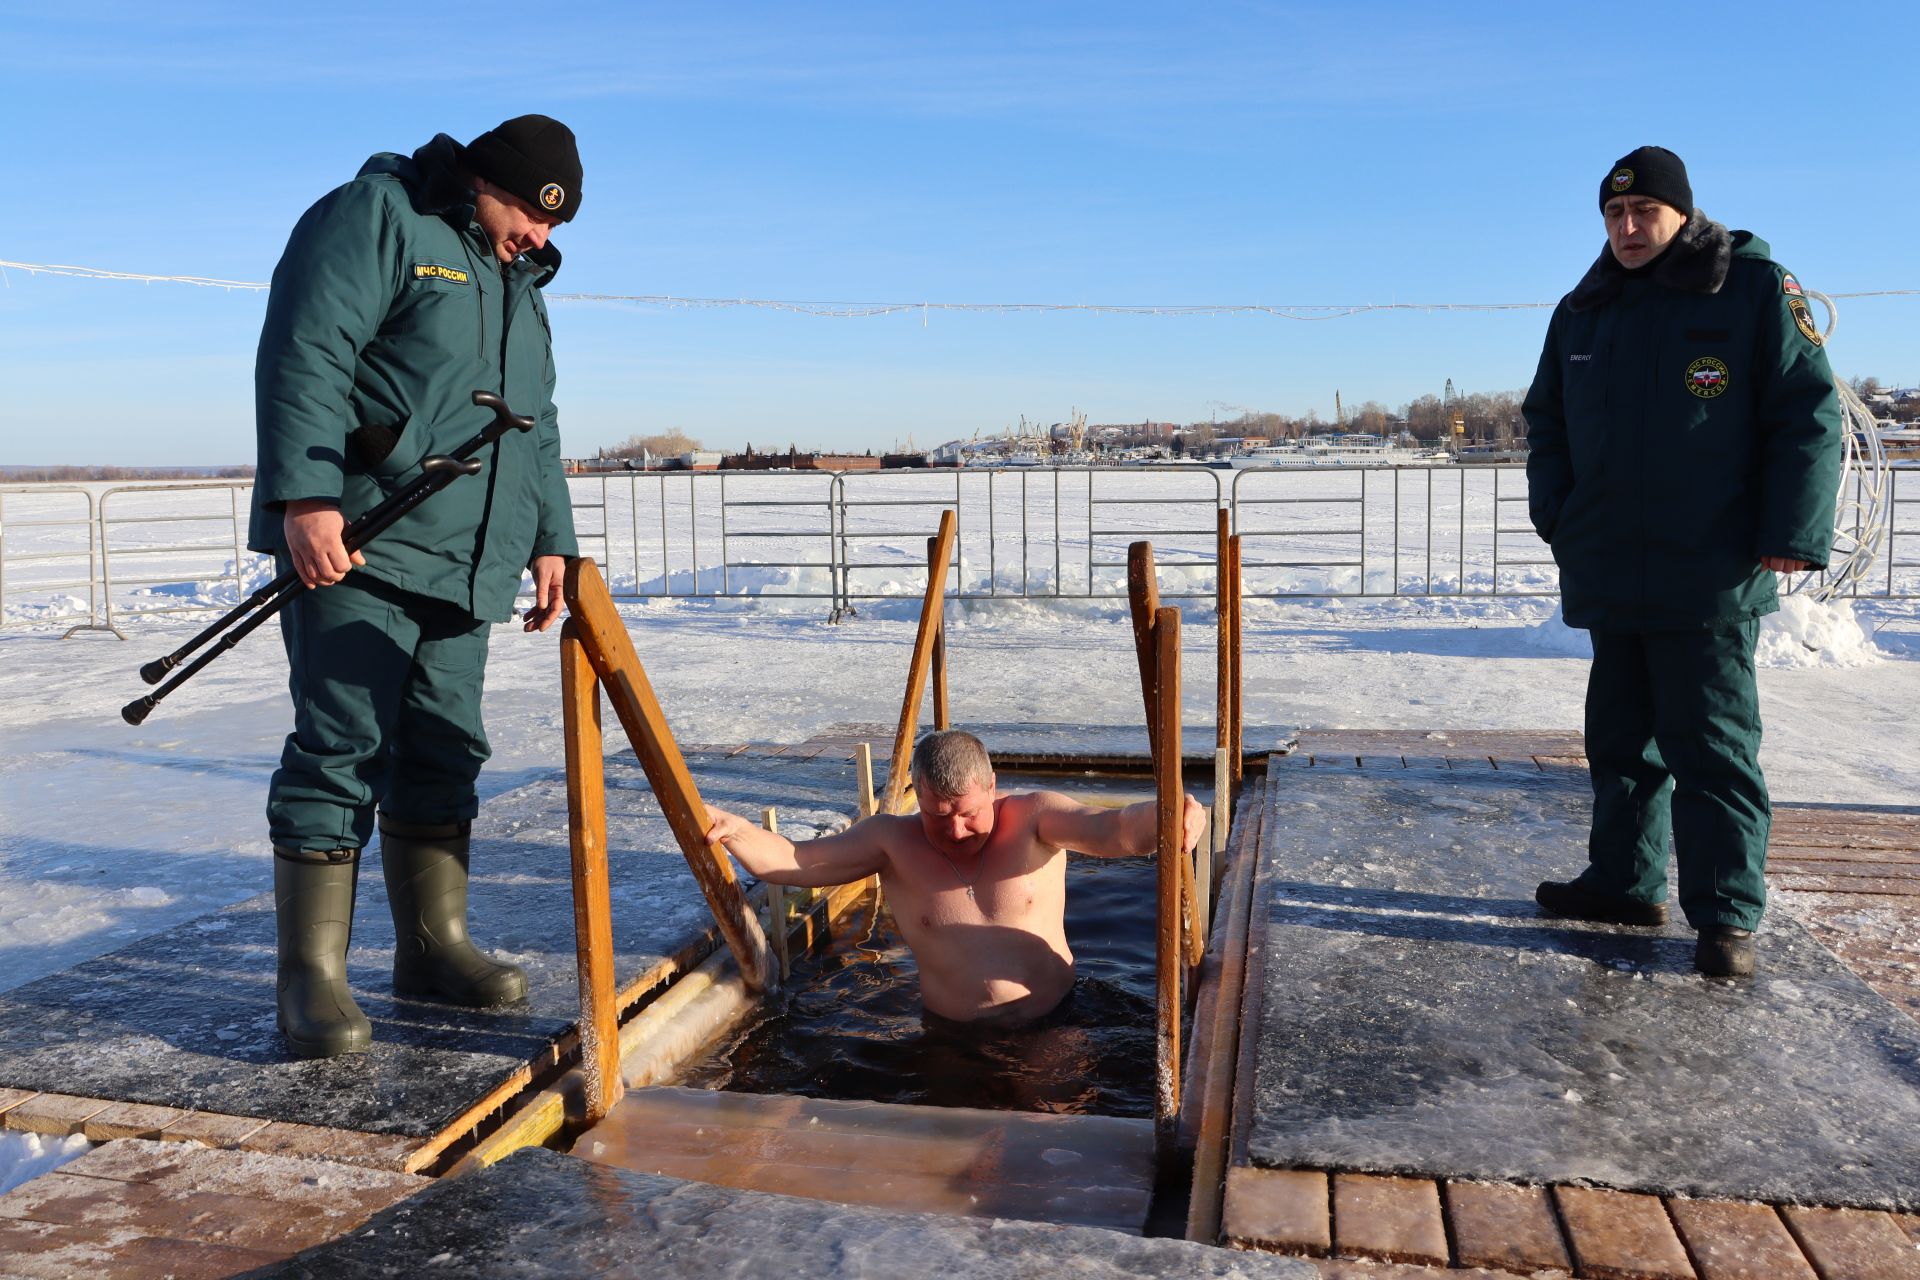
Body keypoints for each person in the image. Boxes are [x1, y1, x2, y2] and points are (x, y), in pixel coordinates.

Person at [248, 115, 584, 1057]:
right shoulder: (378, 216)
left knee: (445, 746)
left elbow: (537, 423)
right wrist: (307, 496)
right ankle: (310, 980)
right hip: (359, 540)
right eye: (527, 209)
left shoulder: (518, 280)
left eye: (555, 224)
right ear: (481, 180)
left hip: (467, 555)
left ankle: (433, 950)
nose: (540, 235)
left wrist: (550, 537)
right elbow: (306, 350)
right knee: (343, 744)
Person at [1522, 146, 1842, 978]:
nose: (1628, 229)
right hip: (1612, 565)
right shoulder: (1583, 309)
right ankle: (1624, 883)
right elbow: (1545, 419)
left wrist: (1792, 532)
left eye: (1644, 214)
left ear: (1682, 214)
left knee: (1711, 748)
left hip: (1709, 568)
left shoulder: (1749, 290)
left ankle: (1725, 915)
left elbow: (1807, 416)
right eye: (1614, 217)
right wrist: (1557, 513)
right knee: (1621, 743)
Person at [705, 730, 1208, 1024]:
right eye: (936, 815)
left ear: (992, 786)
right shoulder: (892, 841)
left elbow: (1115, 829)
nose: (955, 828)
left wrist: (1169, 815)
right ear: (917, 798)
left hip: (1054, 1023)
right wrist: (735, 830)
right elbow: (795, 860)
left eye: (967, 811)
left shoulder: (1035, 818)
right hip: (950, 1038)